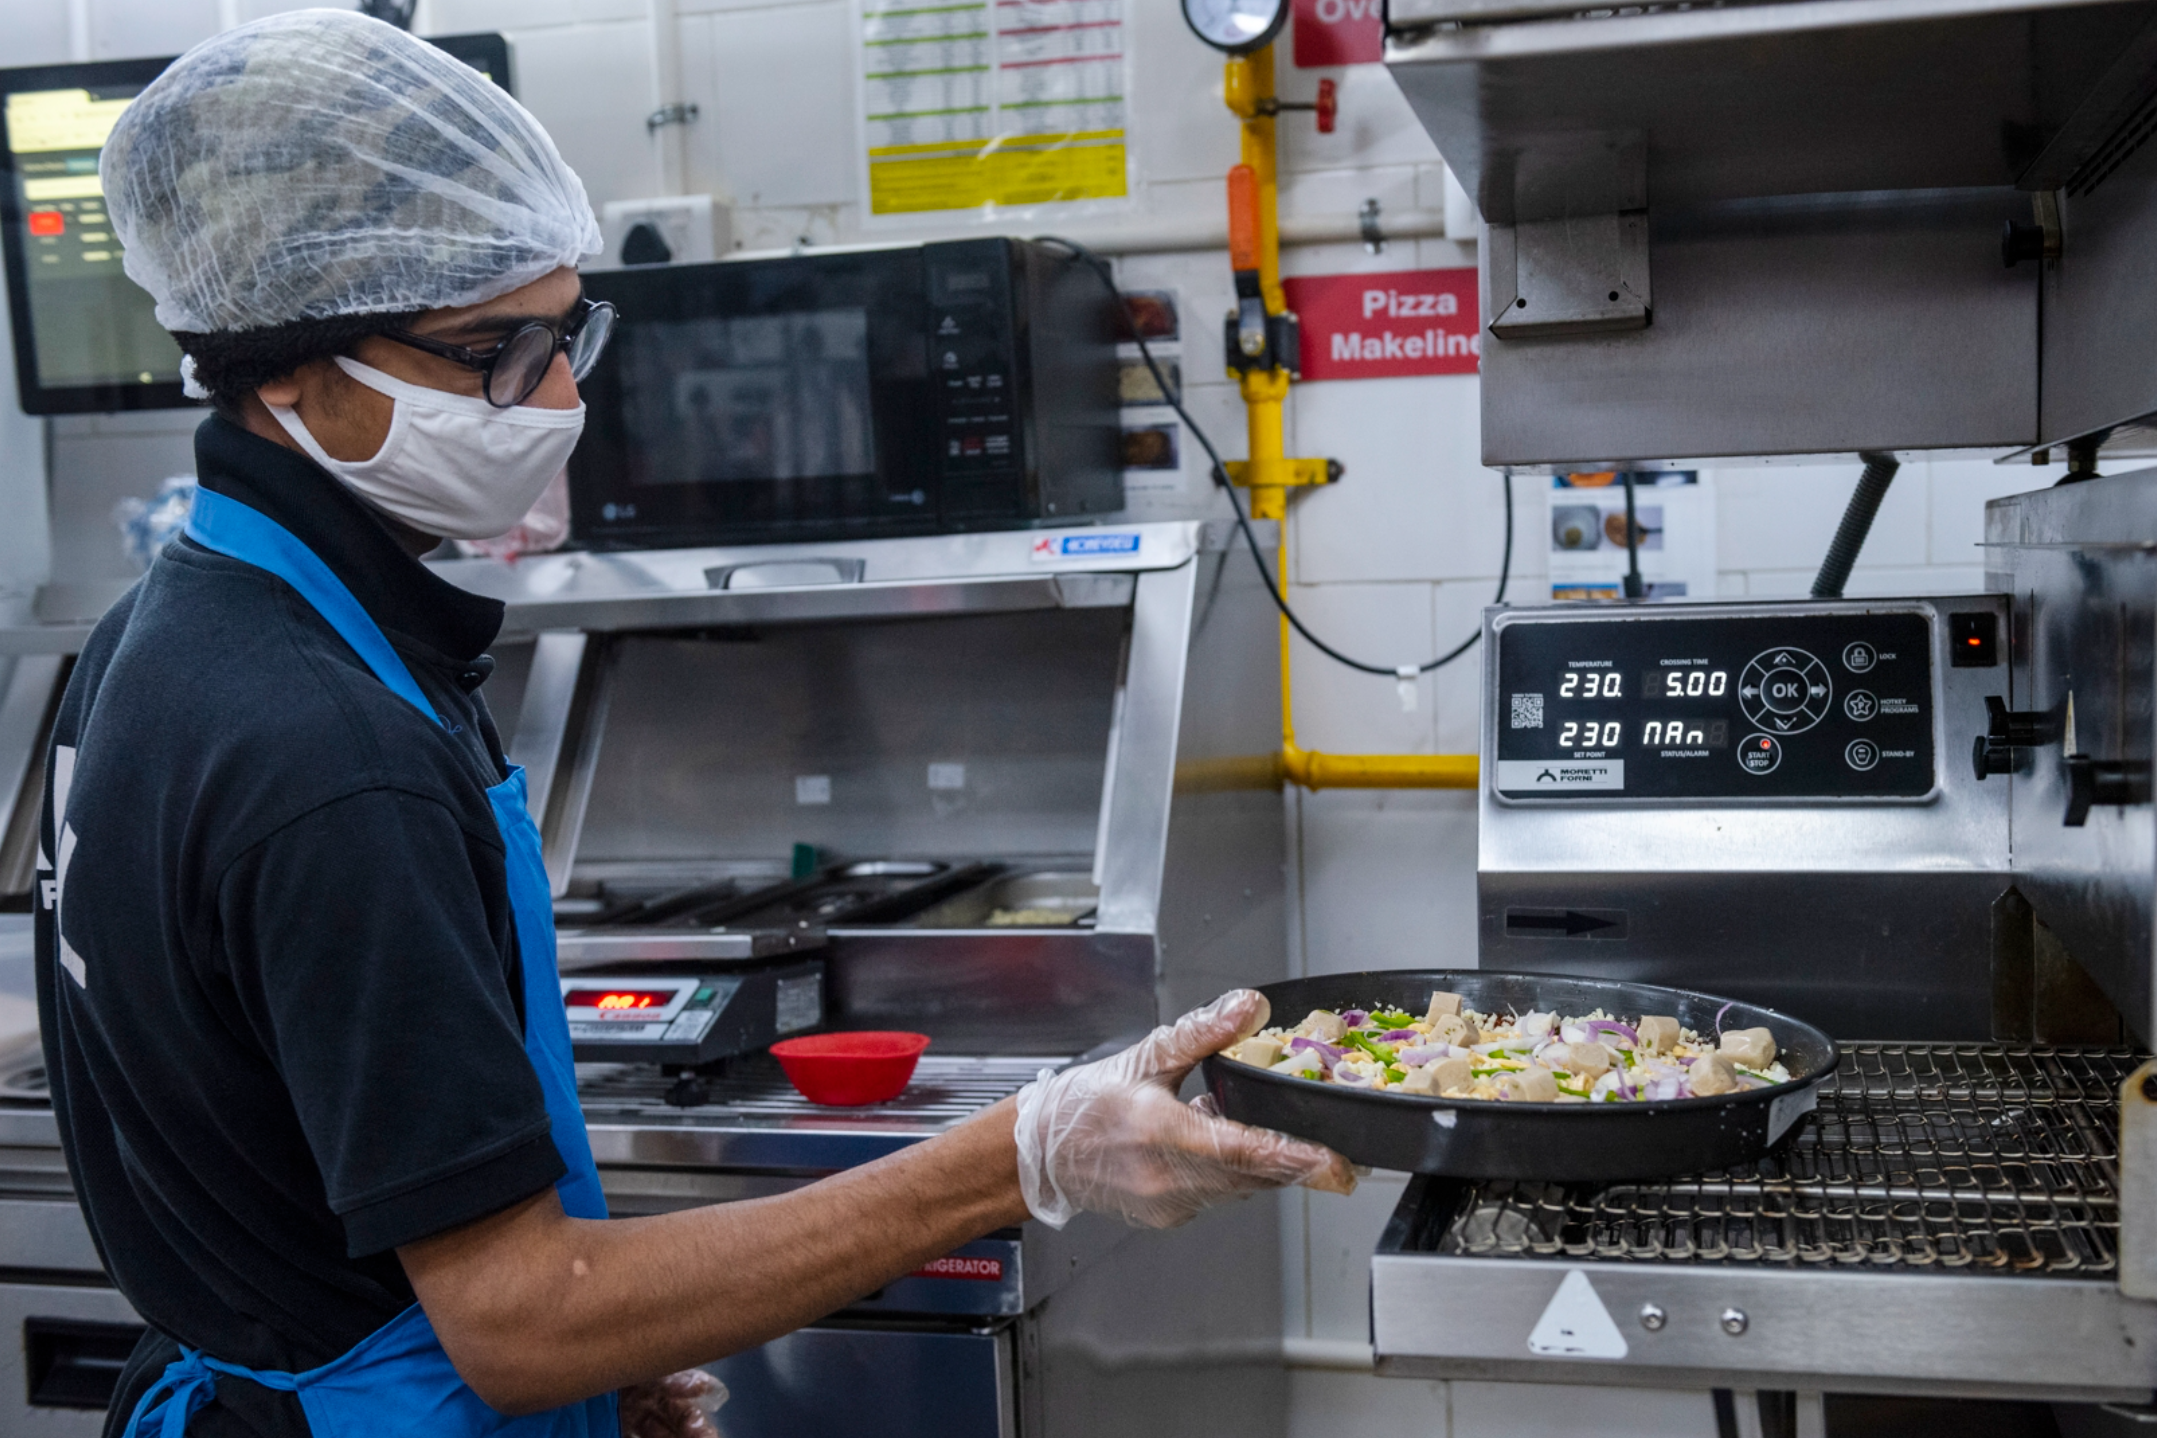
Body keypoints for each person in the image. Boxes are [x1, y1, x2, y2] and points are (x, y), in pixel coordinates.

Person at [37, 12, 1353, 1438]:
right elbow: (521, 1312)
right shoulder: (326, 751)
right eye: (493, 352)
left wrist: (613, 1339)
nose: (557, 398)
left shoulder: (158, 634)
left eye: (563, 334)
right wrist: (1021, 1153)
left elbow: (267, 1165)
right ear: (284, 370)